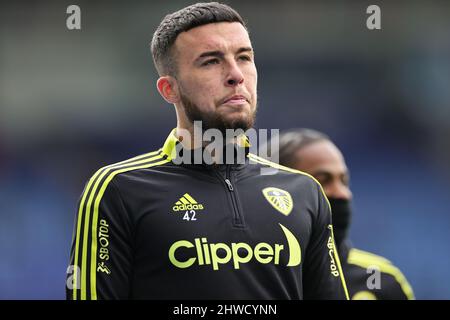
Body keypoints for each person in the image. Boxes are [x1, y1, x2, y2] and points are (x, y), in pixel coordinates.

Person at [65, 2, 348, 300]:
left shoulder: (305, 192)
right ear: (169, 89)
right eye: (211, 61)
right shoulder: (119, 190)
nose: (236, 75)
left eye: (244, 57)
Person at [269, 128, 414, 300]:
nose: (343, 194)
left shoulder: (382, 280)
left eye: (344, 181)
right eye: (323, 180)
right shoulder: (250, 275)